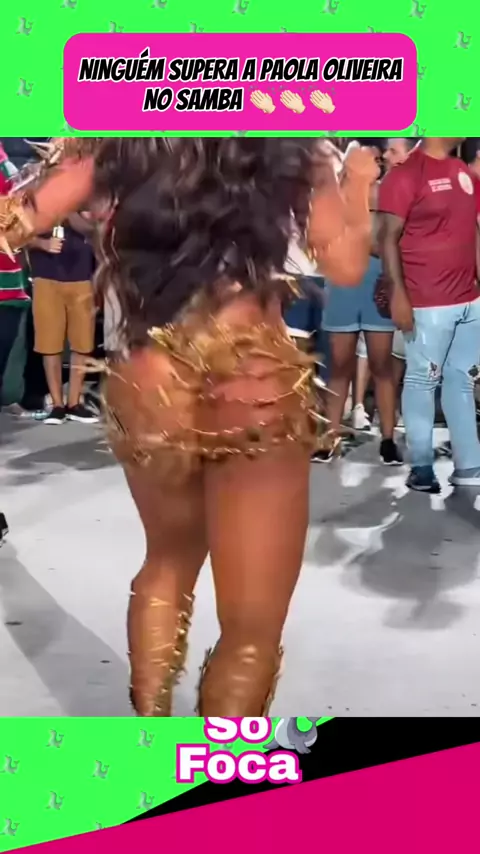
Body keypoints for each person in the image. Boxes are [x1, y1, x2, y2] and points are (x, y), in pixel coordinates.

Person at [0, 137, 378, 716]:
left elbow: (16, 221)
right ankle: (215, 765)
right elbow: (346, 265)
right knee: (250, 632)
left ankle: (151, 737)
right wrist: (358, 180)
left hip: (149, 377)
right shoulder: (300, 144)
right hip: (252, 374)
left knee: (168, 560)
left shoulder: (122, 137)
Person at [379, 136, 480, 493]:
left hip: (469, 300)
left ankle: (469, 465)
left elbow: (473, 231)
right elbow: (387, 238)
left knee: (461, 380)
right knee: (423, 381)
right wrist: (398, 295)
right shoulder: (405, 175)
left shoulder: (461, 170)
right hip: (426, 301)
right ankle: (422, 467)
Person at [317, 176, 403, 464]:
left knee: (381, 366)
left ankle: (388, 440)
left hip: (377, 287)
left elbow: (386, 242)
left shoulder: (385, 191)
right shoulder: (336, 197)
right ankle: (330, 438)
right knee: (339, 366)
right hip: (342, 288)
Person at [27, 214, 99, 424]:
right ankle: (57, 405)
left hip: (83, 277)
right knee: (49, 343)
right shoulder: (37, 200)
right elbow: (18, 234)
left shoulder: (84, 200)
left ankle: (74, 403)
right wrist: (41, 243)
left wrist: (70, 212)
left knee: (83, 342)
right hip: (46, 276)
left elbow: (96, 228)